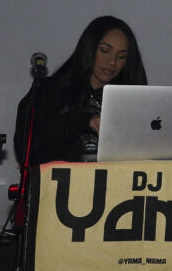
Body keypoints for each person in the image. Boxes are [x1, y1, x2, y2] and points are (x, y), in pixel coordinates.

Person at [14, 15, 147, 165]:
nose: (112, 61)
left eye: (121, 56)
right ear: (89, 48)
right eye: (104, 50)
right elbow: (30, 150)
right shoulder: (50, 92)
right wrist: (83, 121)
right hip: (61, 179)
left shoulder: (130, 101)